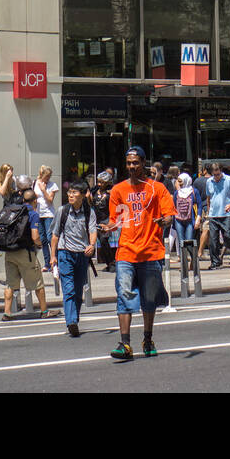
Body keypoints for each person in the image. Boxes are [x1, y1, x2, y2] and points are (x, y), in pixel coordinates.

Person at [101, 147, 175, 359]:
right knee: (124, 295)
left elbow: (169, 214)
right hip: (126, 252)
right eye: (129, 163)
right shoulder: (117, 190)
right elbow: (117, 219)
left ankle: (148, 338)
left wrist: (165, 221)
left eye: (136, 163)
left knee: (148, 299)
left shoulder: (157, 188)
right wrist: (109, 227)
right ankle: (125, 344)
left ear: (143, 163)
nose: (132, 167)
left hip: (151, 252)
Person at [50, 181, 98, 337]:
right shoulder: (62, 211)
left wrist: (91, 245)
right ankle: (71, 322)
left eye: (74, 193)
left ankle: (74, 319)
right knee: (69, 289)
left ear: (83, 195)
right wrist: (53, 256)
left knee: (78, 291)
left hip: (82, 255)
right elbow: (55, 235)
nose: (70, 195)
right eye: (69, 192)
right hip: (65, 253)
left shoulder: (89, 212)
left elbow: (92, 231)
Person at [0, 187, 52, 320]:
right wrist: (40, 244)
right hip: (25, 253)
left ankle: (7, 313)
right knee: (38, 283)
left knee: (10, 284)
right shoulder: (33, 214)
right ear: (34, 201)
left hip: (10, 252)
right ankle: (44, 311)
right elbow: (35, 236)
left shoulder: (14, 211)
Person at [204, 162, 230, 269]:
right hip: (214, 214)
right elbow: (209, 197)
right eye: (214, 175)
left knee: (228, 236)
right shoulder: (209, 182)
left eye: (218, 174)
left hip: (227, 214)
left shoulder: (229, 180)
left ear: (221, 171)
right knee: (213, 240)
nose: (216, 177)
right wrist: (209, 211)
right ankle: (215, 261)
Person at [34, 165, 59, 272]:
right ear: (41, 175)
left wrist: (44, 190)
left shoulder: (52, 185)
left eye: (49, 176)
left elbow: (50, 200)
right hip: (38, 214)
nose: (48, 178)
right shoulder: (34, 183)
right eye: (46, 176)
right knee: (42, 239)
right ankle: (47, 263)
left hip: (49, 214)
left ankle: (55, 261)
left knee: (50, 238)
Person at [173, 173, 200, 252]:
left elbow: (199, 205)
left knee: (189, 241)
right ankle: (183, 263)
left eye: (181, 181)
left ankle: (194, 260)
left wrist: (198, 218)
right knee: (181, 243)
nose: (180, 184)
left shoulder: (194, 191)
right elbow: (174, 207)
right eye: (179, 182)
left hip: (190, 220)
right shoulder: (177, 193)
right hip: (178, 220)